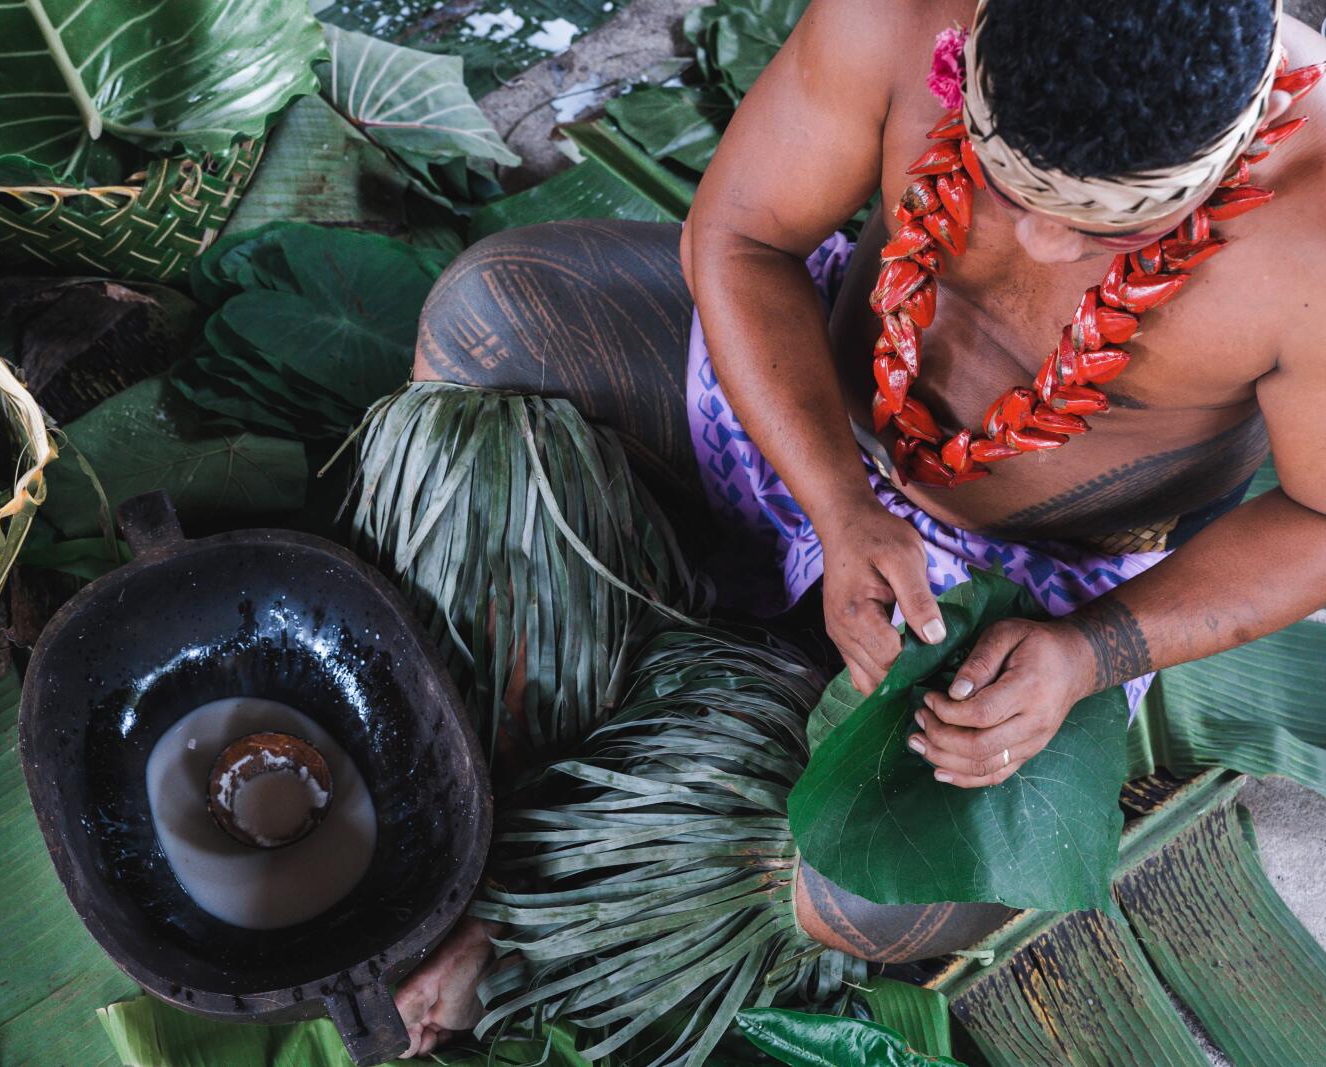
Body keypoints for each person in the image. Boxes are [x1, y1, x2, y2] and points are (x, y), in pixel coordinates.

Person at [392, 0, 1326, 1053]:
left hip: (1041, 592)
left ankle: (537, 908)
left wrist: (1083, 652)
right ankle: (498, 762)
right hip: (805, 423)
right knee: (490, 318)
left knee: (853, 894)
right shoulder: (893, 13)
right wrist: (837, 503)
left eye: (1111, 220)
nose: (1038, 238)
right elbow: (739, 237)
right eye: (1004, 178)